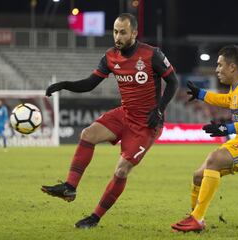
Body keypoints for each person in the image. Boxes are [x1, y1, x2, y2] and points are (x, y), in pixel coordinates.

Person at [41, 13, 178, 229]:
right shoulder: (110, 57)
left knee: (121, 170)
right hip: (125, 114)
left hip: (147, 124)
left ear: (134, 32)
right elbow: (90, 83)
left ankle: (94, 218)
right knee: (88, 134)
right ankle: (69, 186)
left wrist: (159, 110)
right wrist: (63, 85)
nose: (118, 36)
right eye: (115, 31)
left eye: (123, 32)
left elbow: (173, 82)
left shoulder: (152, 55)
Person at [171, 45, 238, 232]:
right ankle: (196, 220)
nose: (217, 70)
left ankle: (197, 218)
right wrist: (202, 95)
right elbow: (228, 101)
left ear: (232, 67)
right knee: (198, 176)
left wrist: (228, 128)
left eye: (220, 65)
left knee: (214, 159)